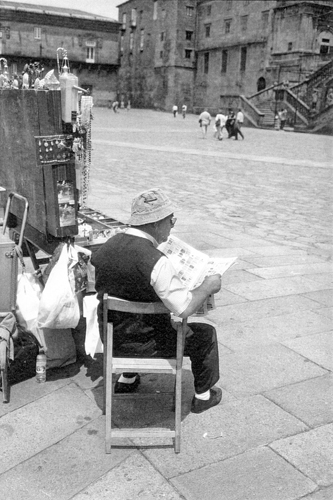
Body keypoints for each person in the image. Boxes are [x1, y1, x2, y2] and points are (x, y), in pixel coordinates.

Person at [92, 188, 222, 414]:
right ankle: (203, 396)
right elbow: (184, 309)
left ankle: (127, 377)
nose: (172, 225)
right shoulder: (155, 261)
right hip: (147, 344)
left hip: (112, 340)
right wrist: (207, 286)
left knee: (131, 310)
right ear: (154, 223)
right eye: (170, 220)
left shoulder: (106, 248)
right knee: (205, 335)